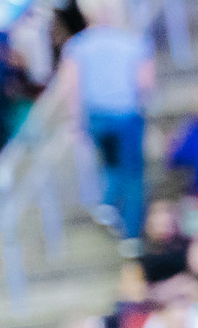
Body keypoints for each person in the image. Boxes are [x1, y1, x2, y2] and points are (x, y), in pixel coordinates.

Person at [57, 14, 155, 250]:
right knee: (132, 175)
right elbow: (145, 83)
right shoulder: (134, 42)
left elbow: (70, 85)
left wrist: (75, 121)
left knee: (111, 165)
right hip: (126, 115)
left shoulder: (78, 45)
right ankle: (131, 235)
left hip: (96, 117)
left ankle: (108, 204)